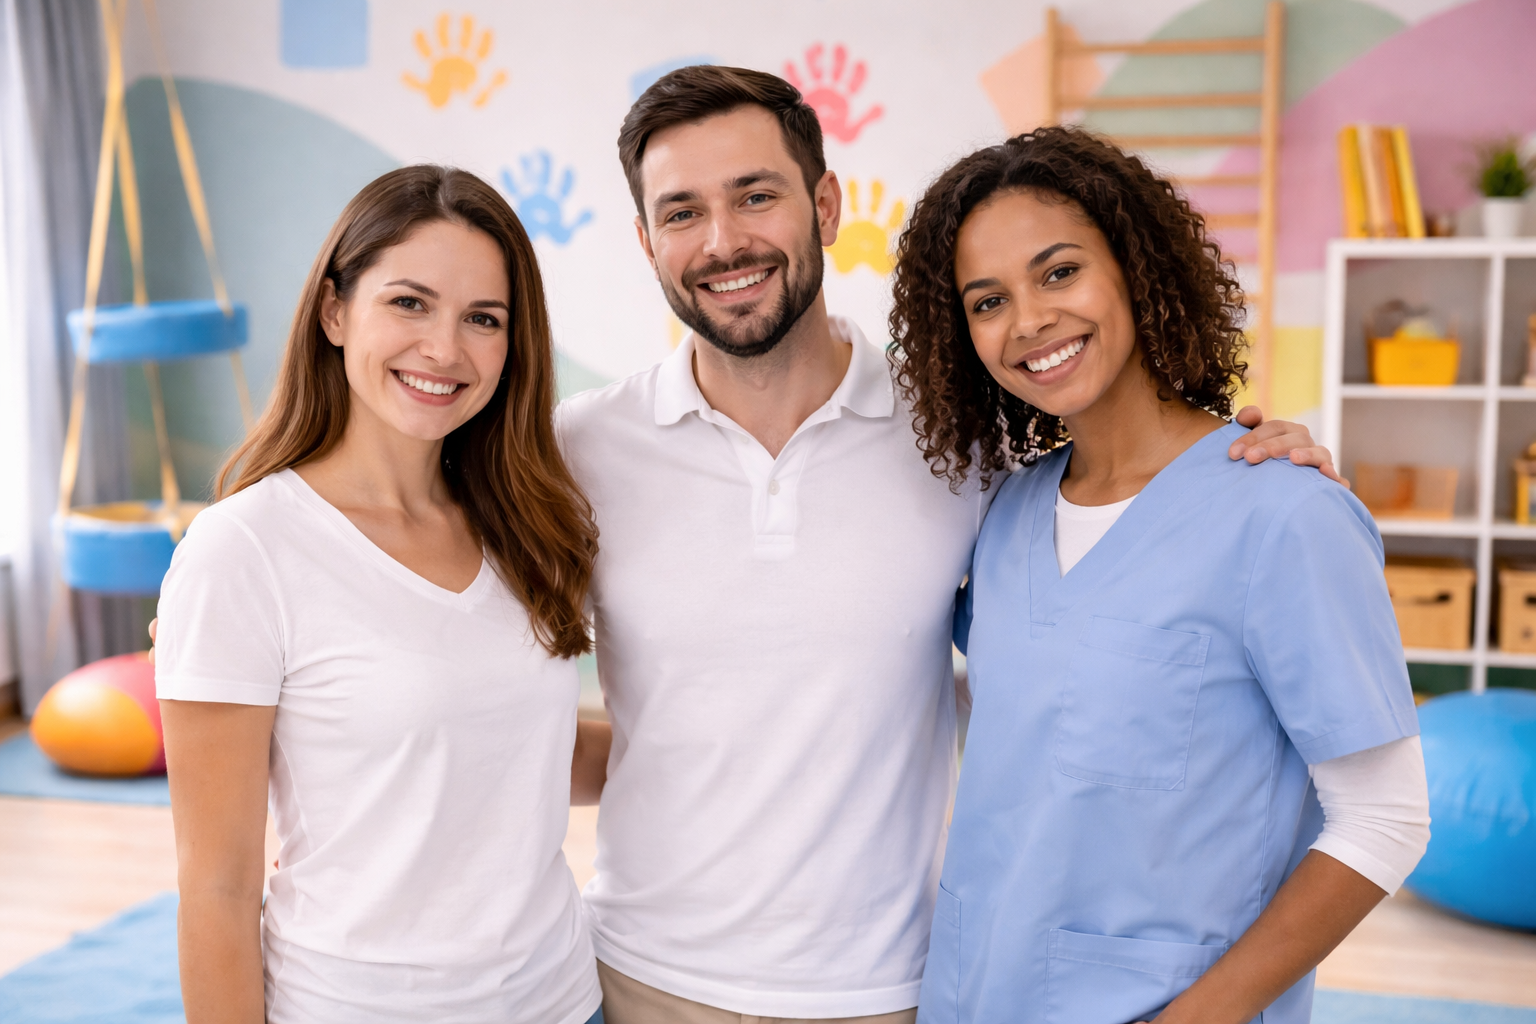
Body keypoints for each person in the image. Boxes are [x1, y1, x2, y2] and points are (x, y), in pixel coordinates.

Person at [558, 67, 1339, 1024]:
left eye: (755, 195)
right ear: (646, 241)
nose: (724, 241)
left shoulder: (966, 441)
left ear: (825, 202)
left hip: (895, 990)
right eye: (682, 212)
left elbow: (1112, 526)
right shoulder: (574, 449)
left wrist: (1250, 459)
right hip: (635, 977)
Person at [890, 128, 1431, 1024]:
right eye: (987, 301)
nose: (1028, 320)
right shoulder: (1007, 519)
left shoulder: (1285, 512)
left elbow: (1386, 820)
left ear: (1137, 269)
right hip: (971, 994)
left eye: (1059, 272)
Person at [153, 166, 606, 1024]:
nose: (445, 348)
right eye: (409, 303)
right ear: (334, 312)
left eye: (484, 319)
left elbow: (518, 745)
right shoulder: (243, 549)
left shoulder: (522, 522)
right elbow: (215, 885)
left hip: (561, 1000)